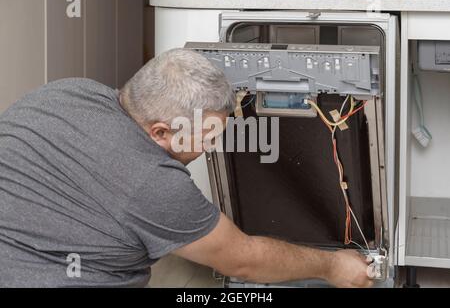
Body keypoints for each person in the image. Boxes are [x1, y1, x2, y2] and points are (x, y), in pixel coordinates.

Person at [0, 49, 373, 288]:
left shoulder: (65, 92)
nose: (211, 147)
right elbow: (242, 260)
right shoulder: (152, 184)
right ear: (160, 132)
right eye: (206, 138)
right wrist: (332, 267)